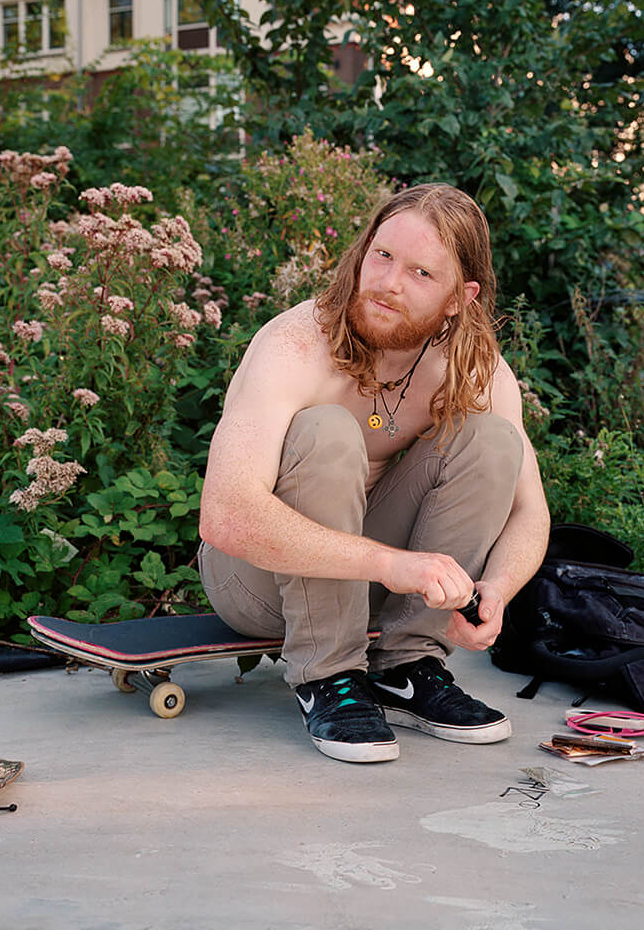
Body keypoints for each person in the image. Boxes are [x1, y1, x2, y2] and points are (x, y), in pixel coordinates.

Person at [198, 183, 550, 763]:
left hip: (370, 587)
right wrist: (392, 564)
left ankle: (407, 665)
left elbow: (529, 511)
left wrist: (497, 591)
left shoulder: (475, 369)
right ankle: (327, 675)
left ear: (459, 298)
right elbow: (226, 516)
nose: (388, 283)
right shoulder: (293, 344)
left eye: (420, 273)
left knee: (491, 439)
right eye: (382, 255)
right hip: (256, 582)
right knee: (328, 431)